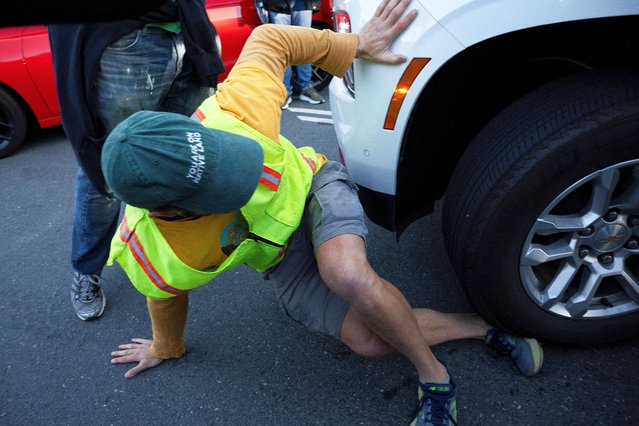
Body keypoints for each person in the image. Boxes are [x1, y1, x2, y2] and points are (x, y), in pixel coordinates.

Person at [106, 1, 543, 424]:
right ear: (167, 212)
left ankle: (436, 380)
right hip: (279, 257)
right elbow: (165, 296)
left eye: (222, 158)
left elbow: (270, 38)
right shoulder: (155, 253)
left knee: (345, 272)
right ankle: (479, 322)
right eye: (217, 186)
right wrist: (166, 347)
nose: (240, 176)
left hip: (314, 188)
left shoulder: (234, 112)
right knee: (370, 341)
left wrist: (355, 45)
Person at [48, 0, 224, 321]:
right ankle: (87, 269)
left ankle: (164, 255)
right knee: (109, 170)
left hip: (188, 29)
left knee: (179, 157)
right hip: (127, 42)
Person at [265, 0, 326, 109]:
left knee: (304, 46)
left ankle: (306, 87)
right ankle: (285, 91)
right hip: (277, 4)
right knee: (284, 48)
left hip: (303, 4)